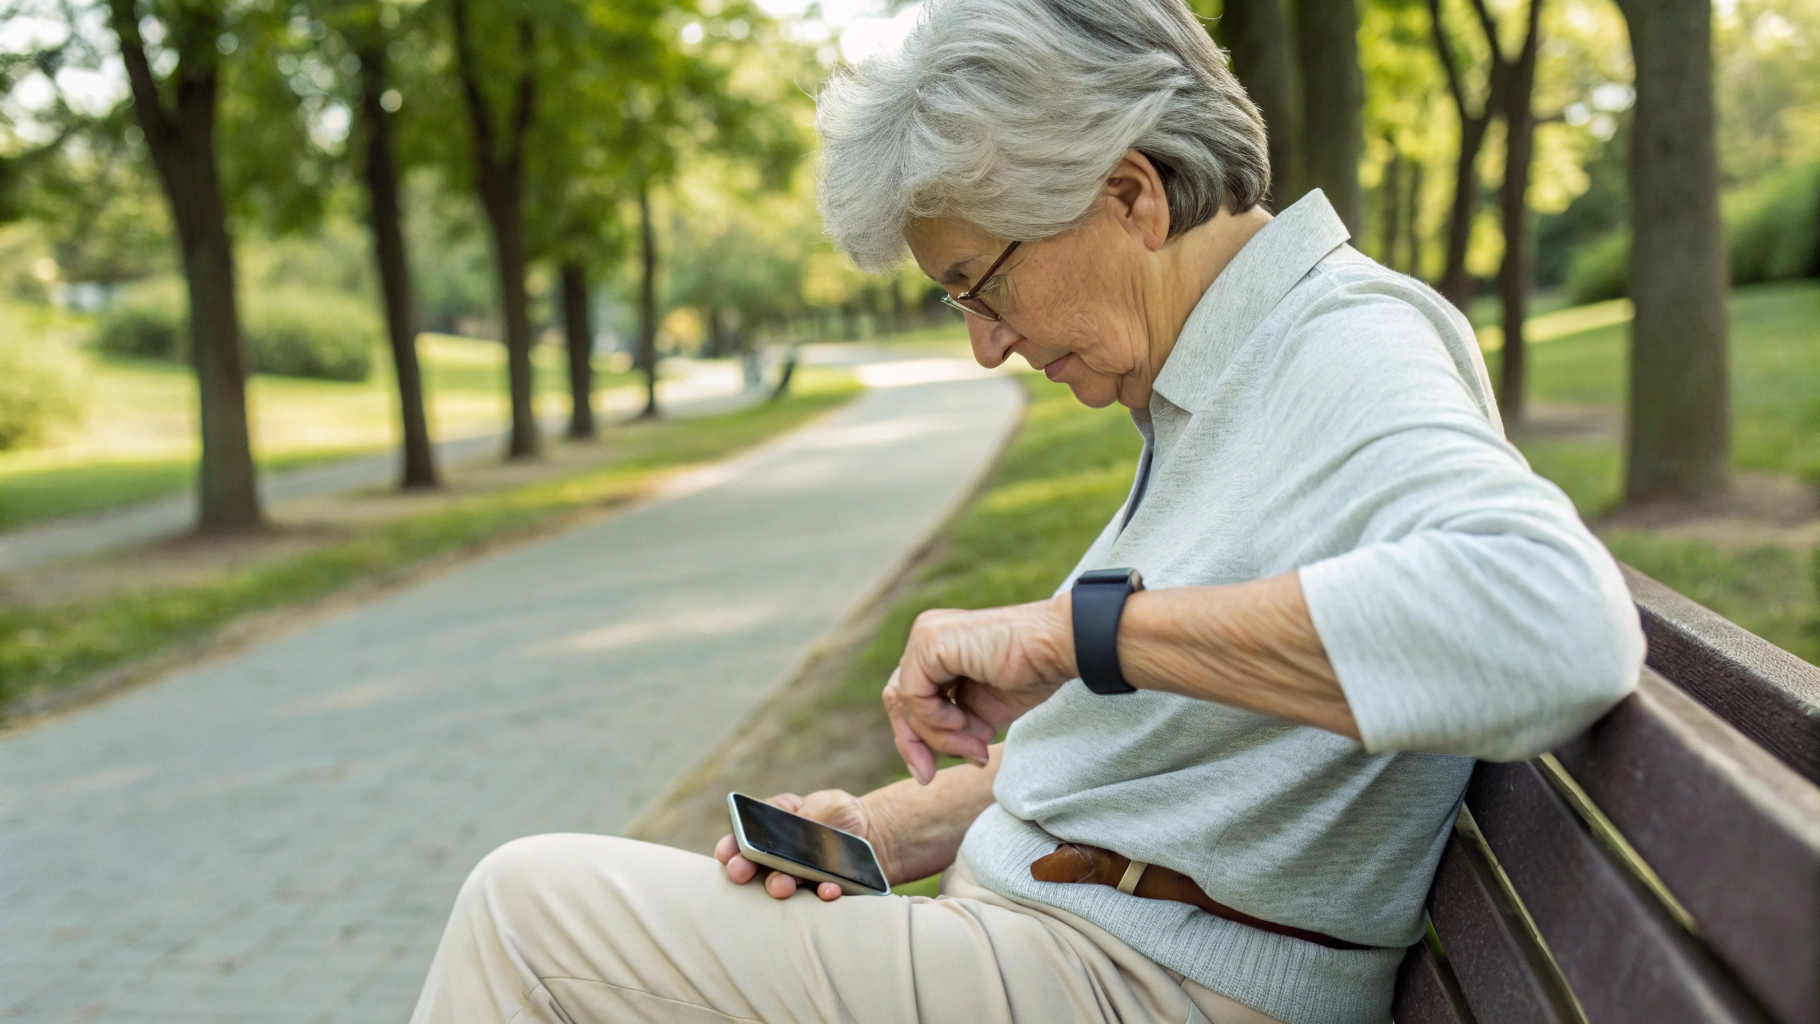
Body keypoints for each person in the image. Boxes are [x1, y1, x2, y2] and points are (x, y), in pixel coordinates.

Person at [408, 0, 1644, 1020]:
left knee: (528, 914)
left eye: (977, 284)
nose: (988, 348)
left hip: (1147, 986)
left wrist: (1077, 634)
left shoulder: (1342, 344)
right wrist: (906, 824)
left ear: (1130, 196)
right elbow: (1210, 756)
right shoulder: (1215, 377)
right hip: (1076, 947)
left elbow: (1551, 622)